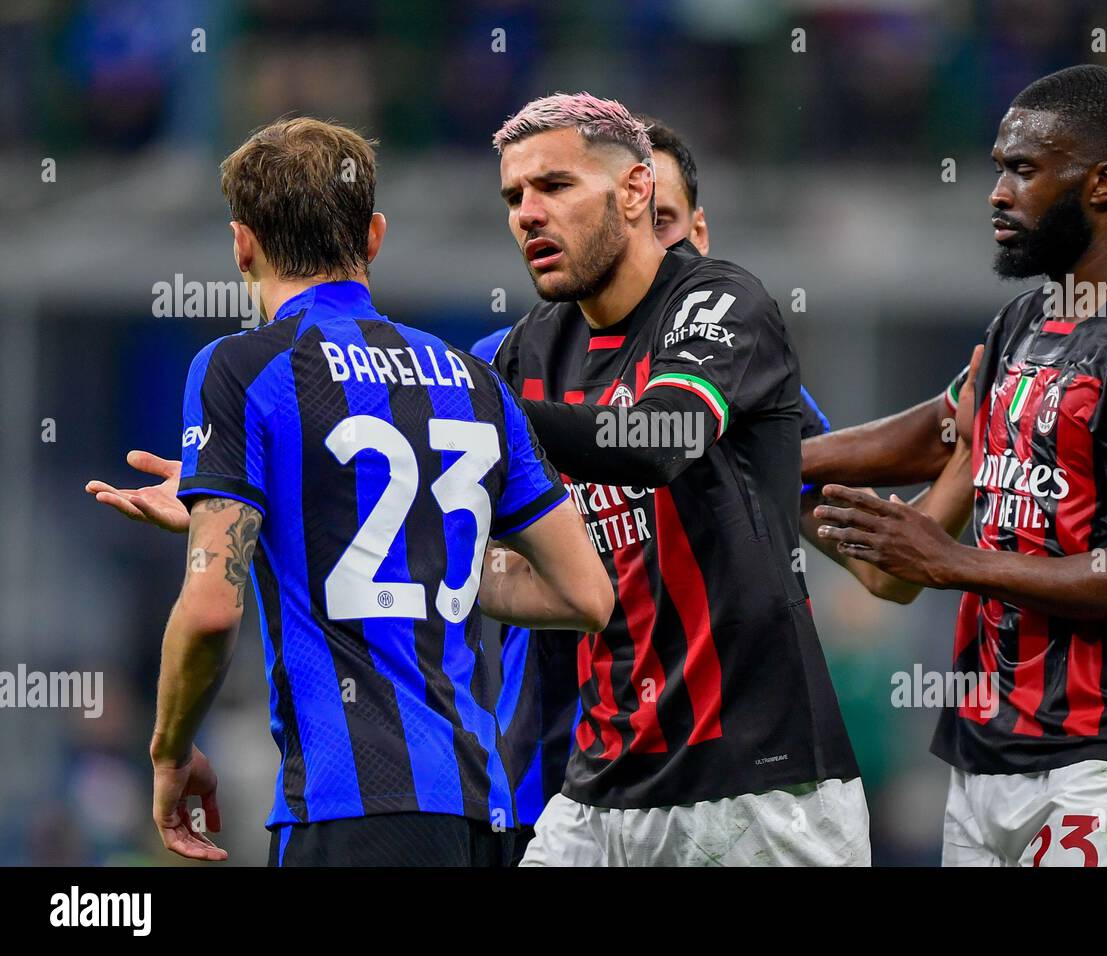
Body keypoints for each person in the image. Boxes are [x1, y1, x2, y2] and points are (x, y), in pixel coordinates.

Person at [88, 117, 612, 866]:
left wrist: (170, 752)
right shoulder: (478, 383)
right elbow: (586, 595)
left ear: (243, 244)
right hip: (482, 815)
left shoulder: (239, 368)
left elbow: (208, 614)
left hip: (350, 812)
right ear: (372, 236)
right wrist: (423, 554)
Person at [814, 65, 1107, 866]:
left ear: (1104, 183)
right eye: (997, 168)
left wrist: (952, 560)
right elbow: (944, 430)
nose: (997, 193)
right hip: (985, 749)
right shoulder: (1027, 318)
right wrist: (764, 451)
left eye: (1024, 169)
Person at [486, 92, 869, 866]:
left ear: (635, 192)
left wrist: (484, 418)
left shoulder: (721, 303)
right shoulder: (529, 351)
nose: (528, 213)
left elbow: (664, 438)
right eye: (514, 196)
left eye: (555, 186)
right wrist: (260, 506)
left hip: (759, 790)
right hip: (597, 787)